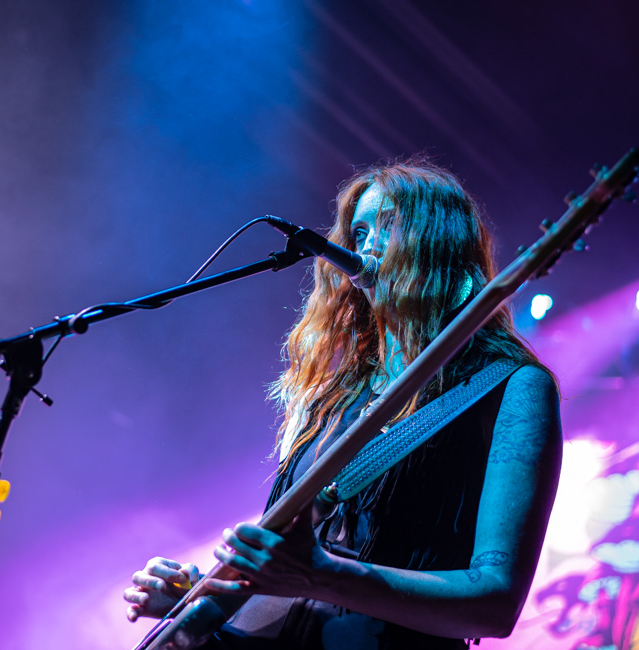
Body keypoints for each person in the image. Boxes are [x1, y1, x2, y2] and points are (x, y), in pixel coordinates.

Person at [123, 159, 563, 648]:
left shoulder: (509, 387)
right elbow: (293, 569)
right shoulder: (338, 391)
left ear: (439, 242)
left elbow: (495, 606)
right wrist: (197, 597)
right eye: (359, 230)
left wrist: (325, 577)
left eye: (390, 226)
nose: (366, 245)